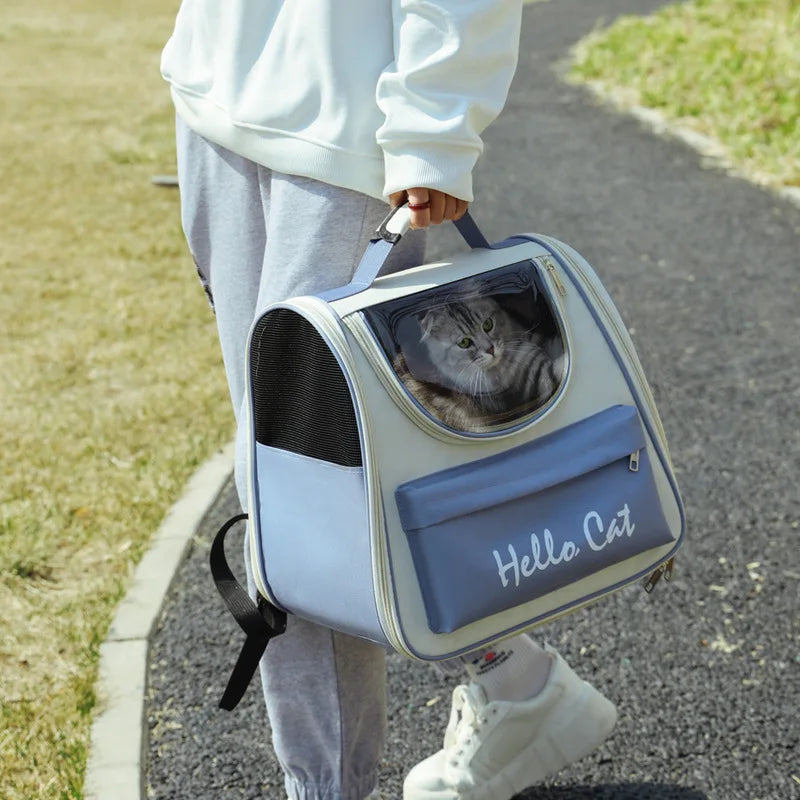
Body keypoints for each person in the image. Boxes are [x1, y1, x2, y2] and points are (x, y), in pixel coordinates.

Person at [161, 2, 617, 798]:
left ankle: (331, 784)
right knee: (294, 475)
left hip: (346, 126)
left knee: (303, 489)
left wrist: (436, 123)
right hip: (214, 92)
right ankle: (513, 679)